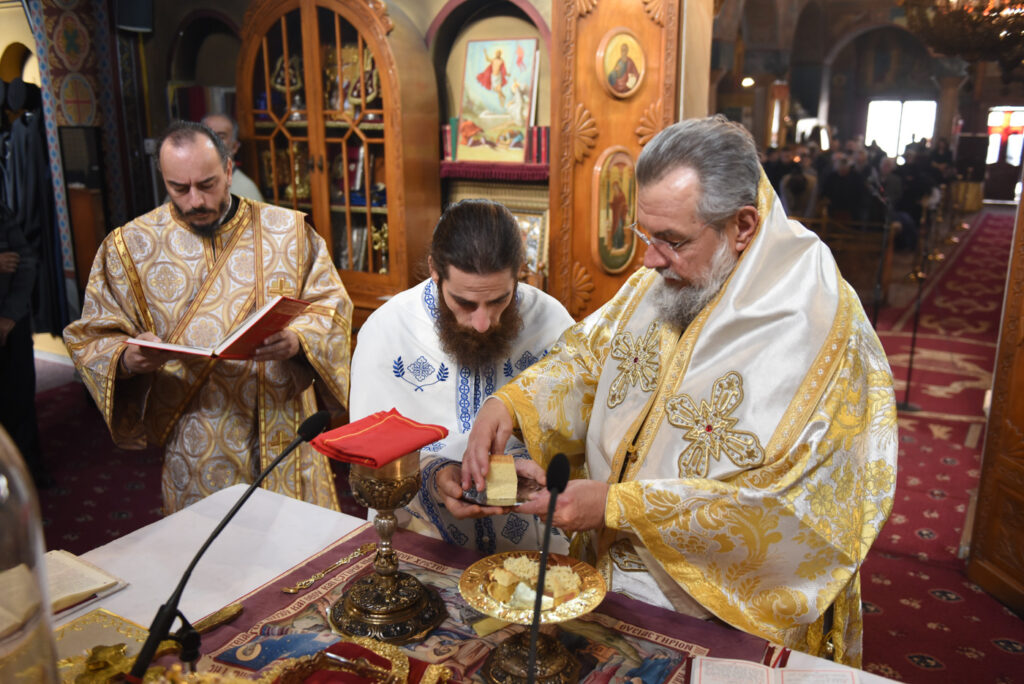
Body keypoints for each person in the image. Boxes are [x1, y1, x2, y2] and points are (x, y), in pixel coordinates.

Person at [448, 117, 897, 666]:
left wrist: (617, 505)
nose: (649, 259)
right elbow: (589, 357)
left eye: (672, 241)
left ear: (743, 226)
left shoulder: (824, 328)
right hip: (608, 574)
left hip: (722, 610)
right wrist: (510, 405)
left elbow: (800, 513)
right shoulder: (667, 277)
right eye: (645, 235)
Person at [63, 121, 353, 514]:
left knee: (297, 540)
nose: (196, 200)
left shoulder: (287, 231)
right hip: (197, 433)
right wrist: (128, 358)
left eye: (207, 184)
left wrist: (298, 339)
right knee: (212, 541)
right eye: (179, 188)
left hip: (282, 419)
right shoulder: (130, 246)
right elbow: (92, 337)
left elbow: (331, 306)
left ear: (229, 170)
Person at [349, 198, 574, 554]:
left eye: (498, 300)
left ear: (519, 272)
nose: (482, 323)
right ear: (434, 271)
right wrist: (434, 474)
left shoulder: (552, 323)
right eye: (465, 303)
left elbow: (579, 434)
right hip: (425, 541)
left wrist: (528, 463)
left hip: (528, 545)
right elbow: (369, 452)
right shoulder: (388, 331)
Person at [201, 113, 264, 201]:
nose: (212, 141)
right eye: (208, 135)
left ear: (234, 147)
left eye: (220, 136)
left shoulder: (246, 190)